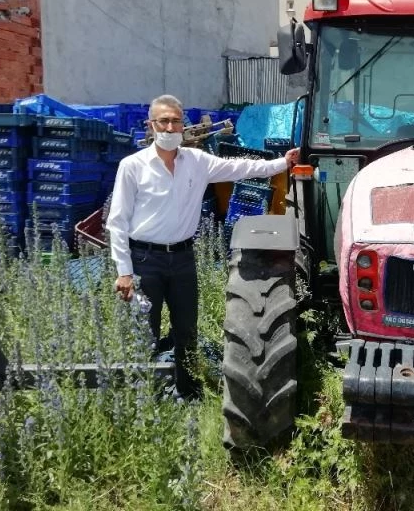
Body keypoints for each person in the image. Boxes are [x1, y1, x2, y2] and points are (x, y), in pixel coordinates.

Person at [106, 94, 299, 400]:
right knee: (144, 333)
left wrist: (281, 163)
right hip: (145, 260)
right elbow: (117, 222)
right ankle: (142, 399)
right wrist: (124, 272)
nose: (170, 128)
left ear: (183, 125)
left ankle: (189, 392)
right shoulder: (132, 166)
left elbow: (239, 168)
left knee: (186, 331)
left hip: (182, 259)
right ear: (151, 125)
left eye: (175, 121)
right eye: (163, 121)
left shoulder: (197, 162)